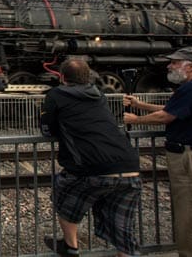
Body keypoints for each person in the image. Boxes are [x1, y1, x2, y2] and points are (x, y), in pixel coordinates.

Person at [40, 58, 141, 257]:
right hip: (130, 166)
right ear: (89, 76)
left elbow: (47, 128)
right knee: (123, 225)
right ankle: (126, 253)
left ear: (61, 76)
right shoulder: (99, 95)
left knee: (63, 194)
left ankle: (71, 246)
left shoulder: (56, 95)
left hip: (91, 168)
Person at [123, 47, 192, 257]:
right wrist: (140, 105)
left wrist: (135, 120)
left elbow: (166, 117)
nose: (169, 66)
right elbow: (174, 110)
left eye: (175, 62)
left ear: (191, 66)